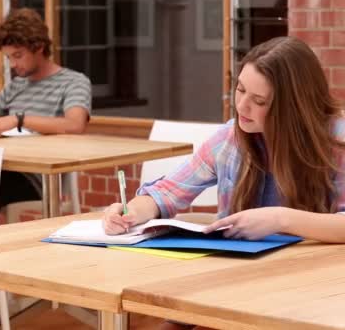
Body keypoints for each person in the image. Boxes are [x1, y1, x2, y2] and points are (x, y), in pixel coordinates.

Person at [104, 36, 345, 329]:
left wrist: (280, 219)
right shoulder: (230, 140)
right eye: (240, 89)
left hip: (315, 291)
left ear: (293, 106)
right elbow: (166, 192)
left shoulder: (336, 142)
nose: (242, 106)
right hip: (236, 283)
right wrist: (130, 212)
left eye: (259, 101)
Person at [0, 8, 92, 208]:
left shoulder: (73, 82)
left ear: (39, 47)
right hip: (5, 168)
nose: (13, 64)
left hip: (42, 178)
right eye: (9, 57)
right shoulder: (16, 86)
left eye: (18, 55)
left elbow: (75, 124)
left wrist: (19, 119)